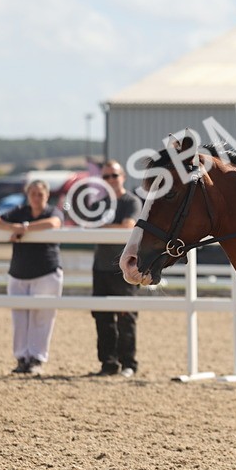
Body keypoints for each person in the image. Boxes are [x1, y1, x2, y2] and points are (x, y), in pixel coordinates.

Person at [0, 180, 63, 375]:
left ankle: (37, 358)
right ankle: (21, 358)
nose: (36, 198)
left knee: (42, 317)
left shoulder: (52, 211)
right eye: (33, 194)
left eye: (40, 194)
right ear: (27, 195)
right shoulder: (19, 210)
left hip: (45, 271)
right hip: (19, 272)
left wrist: (23, 228)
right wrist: (14, 228)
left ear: (47, 196)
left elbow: (54, 224)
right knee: (20, 318)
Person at [90, 161, 140, 377]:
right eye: (106, 177)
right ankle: (108, 363)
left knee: (126, 315)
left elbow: (128, 225)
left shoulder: (131, 201)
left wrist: (101, 226)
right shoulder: (100, 203)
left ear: (123, 177)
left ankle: (128, 363)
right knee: (102, 316)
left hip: (124, 267)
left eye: (114, 175)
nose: (110, 180)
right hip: (101, 265)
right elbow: (87, 223)